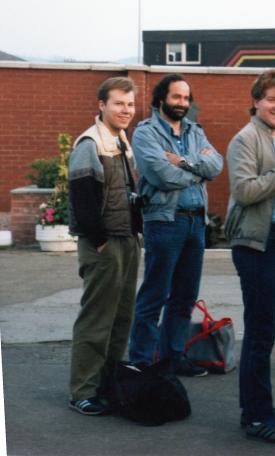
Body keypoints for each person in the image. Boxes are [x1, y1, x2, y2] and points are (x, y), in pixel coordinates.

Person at [224, 70, 275, 445]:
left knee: (266, 328)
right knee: (259, 330)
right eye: (272, 99)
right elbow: (244, 191)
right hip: (254, 243)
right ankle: (256, 417)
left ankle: (262, 406)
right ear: (256, 100)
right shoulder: (245, 139)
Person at [128, 73, 223, 376]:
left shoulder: (195, 130)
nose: (182, 103)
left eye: (185, 98)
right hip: (165, 222)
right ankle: (142, 361)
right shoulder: (145, 133)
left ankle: (174, 357)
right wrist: (199, 171)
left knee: (184, 297)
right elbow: (160, 176)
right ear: (161, 99)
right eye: (176, 97)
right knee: (155, 294)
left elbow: (217, 165)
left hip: (196, 223)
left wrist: (183, 163)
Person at [67, 77, 143, 415]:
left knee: (121, 319)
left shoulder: (121, 141)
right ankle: (83, 391)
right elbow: (83, 201)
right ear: (102, 105)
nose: (126, 110)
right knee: (96, 321)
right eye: (119, 103)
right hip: (104, 244)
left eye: (130, 104)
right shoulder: (90, 143)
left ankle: (108, 385)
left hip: (127, 242)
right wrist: (98, 241)